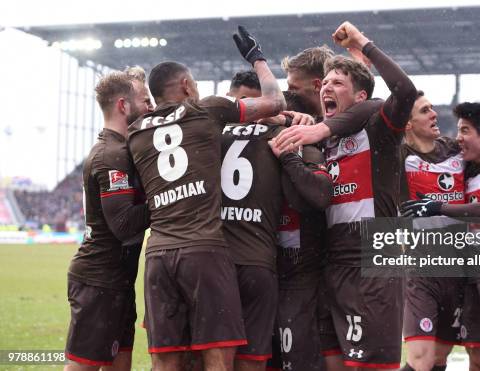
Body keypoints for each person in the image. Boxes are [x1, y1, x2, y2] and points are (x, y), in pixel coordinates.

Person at [127, 26, 285, 371]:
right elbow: (275, 100)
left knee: (165, 362)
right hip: (204, 250)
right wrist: (257, 58)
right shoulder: (206, 110)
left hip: (157, 254)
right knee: (218, 358)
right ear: (186, 86)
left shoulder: (135, 133)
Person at [282, 21, 418, 370]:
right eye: (324, 83)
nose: (327, 87)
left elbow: (403, 91)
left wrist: (362, 44)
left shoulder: (378, 130)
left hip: (374, 263)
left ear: (359, 96)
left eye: (337, 83)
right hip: (332, 266)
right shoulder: (321, 138)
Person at [401, 102, 480, 371]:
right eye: (458, 130)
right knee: (479, 360)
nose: (458, 138)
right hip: (470, 278)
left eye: (466, 130)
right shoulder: (465, 168)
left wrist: (438, 206)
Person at [222, 79, 332, 371]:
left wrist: (289, 148)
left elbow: (319, 195)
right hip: (262, 264)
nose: (255, 114)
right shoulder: (253, 139)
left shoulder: (298, 142)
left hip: (290, 269)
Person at [65, 66, 153, 371]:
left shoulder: (125, 150)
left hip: (116, 281)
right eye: (144, 99)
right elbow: (124, 224)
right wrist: (170, 197)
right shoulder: (110, 154)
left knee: (119, 364)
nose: (151, 106)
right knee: (83, 366)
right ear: (122, 106)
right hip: (98, 280)